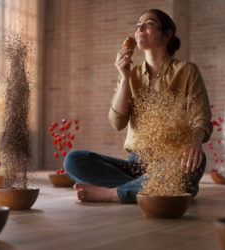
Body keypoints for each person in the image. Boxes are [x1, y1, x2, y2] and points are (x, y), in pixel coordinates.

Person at [64, 9, 212, 204]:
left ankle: (113, 193)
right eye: (137, 25)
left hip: (174, 160)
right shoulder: (130, 75)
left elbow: (201, 118)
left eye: (148, 23)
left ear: (166, 35)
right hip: (136, 164)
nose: (139, 28)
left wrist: (194, 143)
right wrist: (124, 77)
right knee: (74, 161)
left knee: (195, 163)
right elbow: (117, 122)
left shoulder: (186, 71)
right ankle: (154, 188)